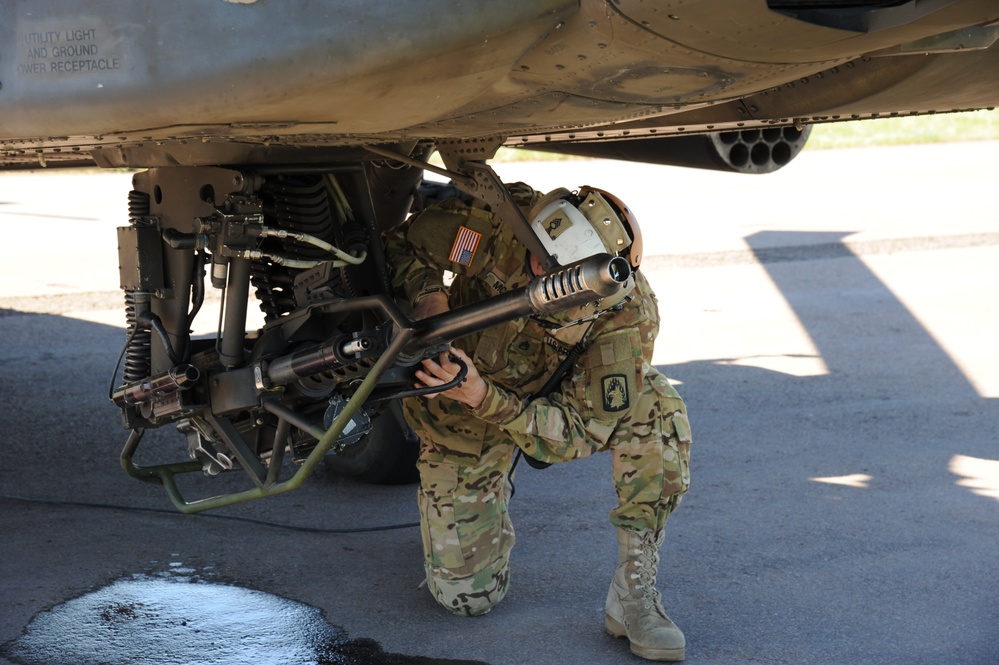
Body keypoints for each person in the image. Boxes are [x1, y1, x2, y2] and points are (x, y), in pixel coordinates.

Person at [384, 182, 692, 661]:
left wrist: (485, 396)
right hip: (459, 414)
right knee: (467, 599)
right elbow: (404, 242)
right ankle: (472, 496)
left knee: (654, 405)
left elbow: (576, 434)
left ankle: (633, 594)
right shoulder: (500, 225)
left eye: (550, 268)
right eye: (534, 256)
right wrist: (430, 302)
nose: (534, 268)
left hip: (534, 407)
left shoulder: (622, 317)